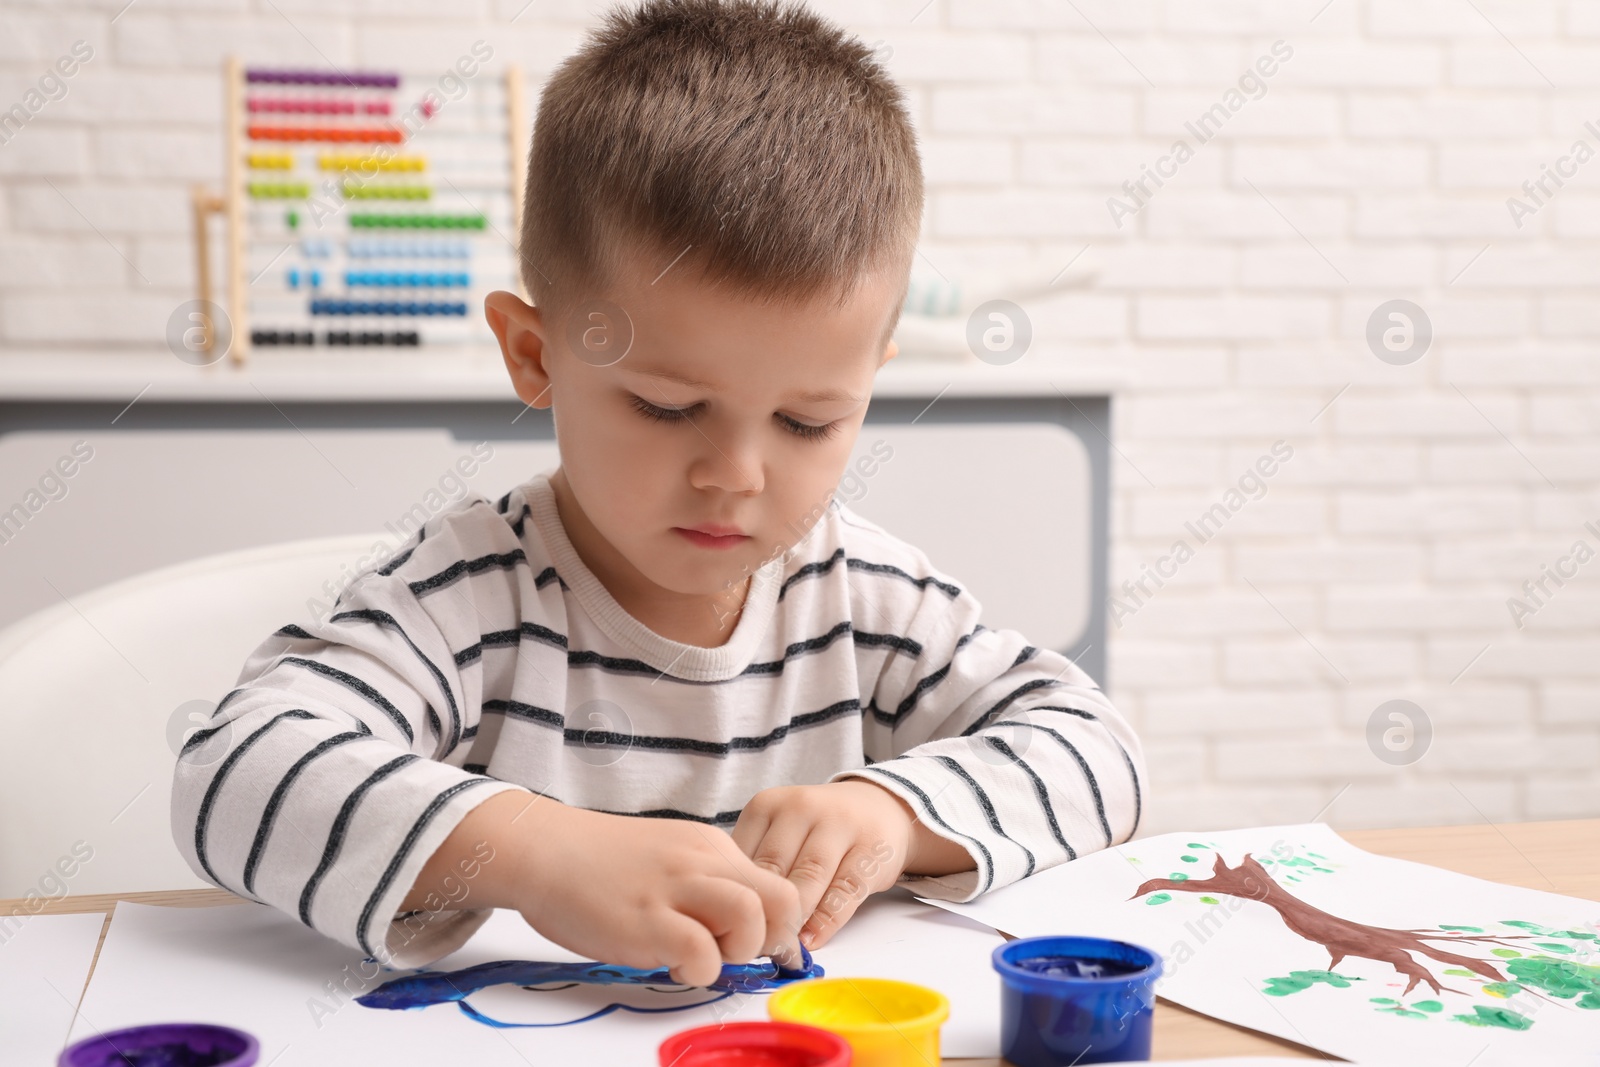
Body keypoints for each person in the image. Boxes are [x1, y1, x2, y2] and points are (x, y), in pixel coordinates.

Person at [172, 0, 1146, 988]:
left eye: (808, 421)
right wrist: (537, 851)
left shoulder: (868, 597)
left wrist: (891, 817)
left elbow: (1098, 754)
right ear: (533, 353)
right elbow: (230, 770)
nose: (736, 474)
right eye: (667, 405)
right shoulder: (467, 599)